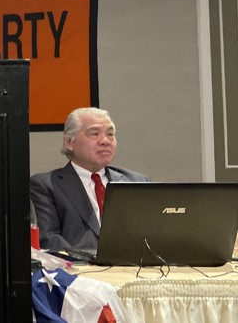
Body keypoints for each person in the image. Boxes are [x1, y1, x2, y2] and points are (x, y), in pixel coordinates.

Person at [30, 107, 150, 252]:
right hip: (79, 270)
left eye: (110, 134)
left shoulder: (136, 181)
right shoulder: (46, 185)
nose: (105, 141)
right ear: (69, 142)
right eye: (94, 134)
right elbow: (48, 239)